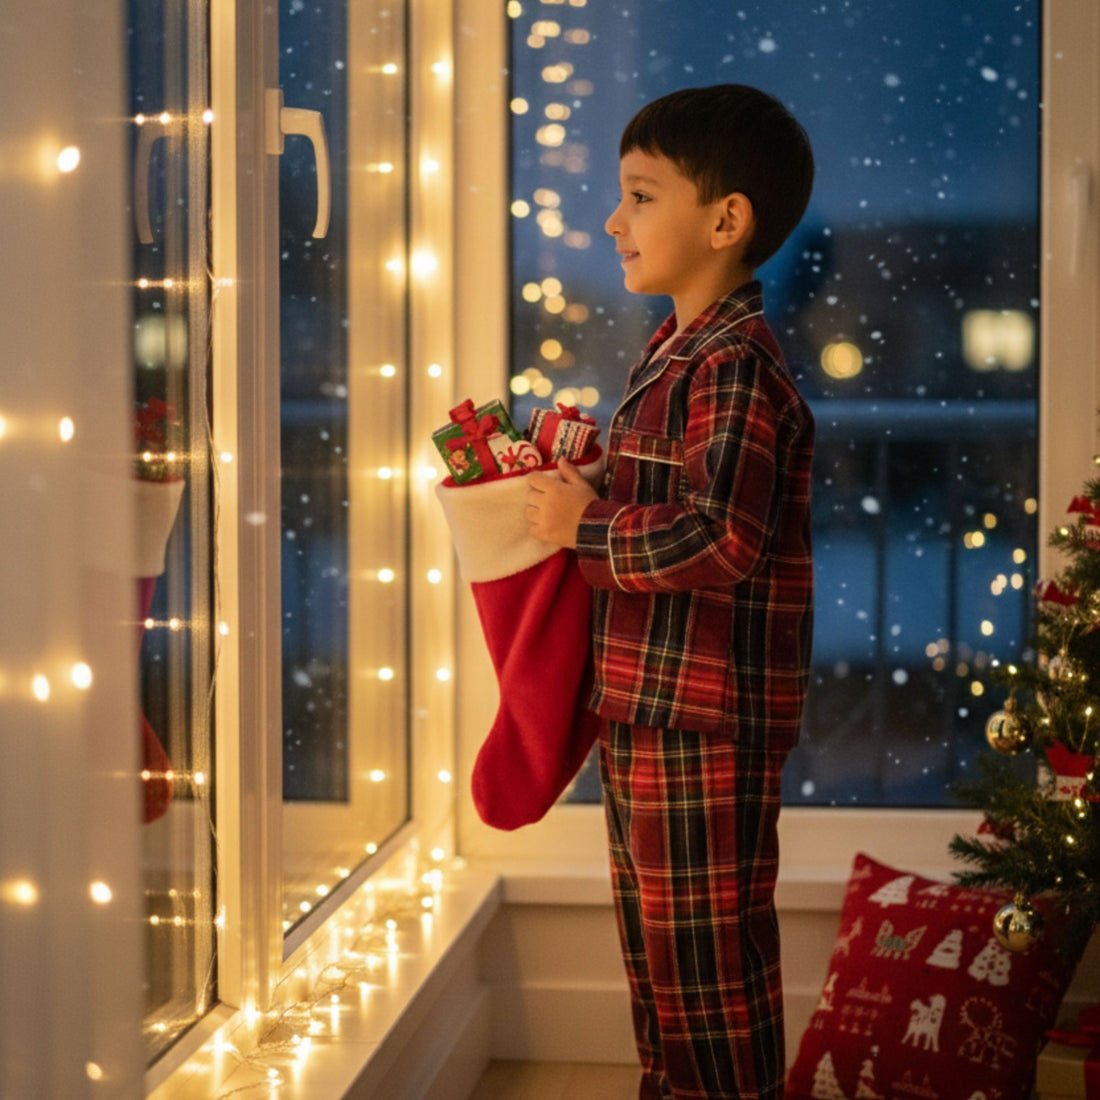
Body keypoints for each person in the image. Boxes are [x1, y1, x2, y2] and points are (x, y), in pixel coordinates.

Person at [525, 84, 816, 1100]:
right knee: (657, 952)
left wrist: (582, 526)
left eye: (641, 196)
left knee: (705, 970)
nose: (613, 220)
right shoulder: (674, 352)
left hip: (703, 715)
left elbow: (720, 533)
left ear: (724, 220)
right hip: (650, 702)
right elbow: (678, 492)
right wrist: (599, 481)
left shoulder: (731, 365)